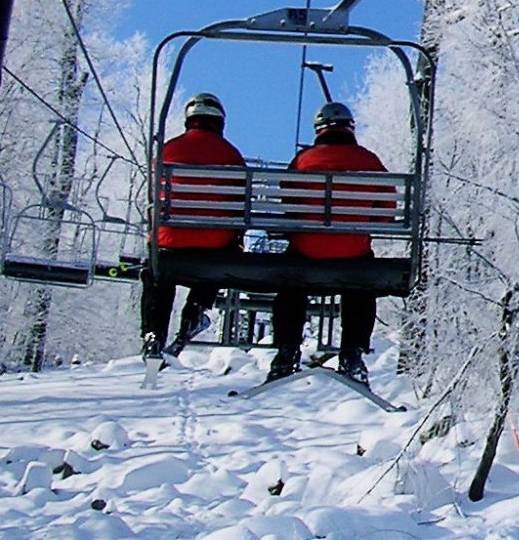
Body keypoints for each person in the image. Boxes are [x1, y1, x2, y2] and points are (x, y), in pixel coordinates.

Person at [269, 101, 390, 384]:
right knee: (362, 282)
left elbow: (288, 204)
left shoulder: (304, 160)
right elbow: (386, 209)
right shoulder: (369, 160)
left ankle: (287, 349)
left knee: (290, 283)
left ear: (319, 130)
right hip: (353, 254)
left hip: (307, 253)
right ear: (350, 128)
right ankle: (353, 351)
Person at [142, 92, 245, 360]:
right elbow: (240, 205)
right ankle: (194, 314)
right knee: (220, 255)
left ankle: (153, 333)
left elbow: (154, 196)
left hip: (170, 245)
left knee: (157, 274)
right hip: (213, 252)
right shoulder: (232, 156)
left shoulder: (167, 151)